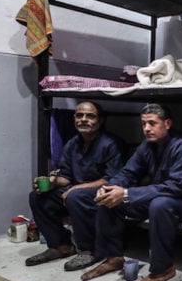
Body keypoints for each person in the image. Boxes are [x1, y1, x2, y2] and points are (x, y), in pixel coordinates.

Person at [80, 103, 182, 281]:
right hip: (163, 195)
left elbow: (175, 187)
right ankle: (113, 257)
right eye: (143, 124)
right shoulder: (147, 146)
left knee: (160, 205)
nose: (146, 128)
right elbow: (128, 173)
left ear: (167, 123)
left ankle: (163, 269)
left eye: (152, 123)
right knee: (109, 201)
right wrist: (110, 188)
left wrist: (126, 194)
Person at [26, 101, 125, 271]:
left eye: (90, 116)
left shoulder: (111, 143)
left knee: (75, 196)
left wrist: (76, 188)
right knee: (37, 196)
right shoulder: (72, 144)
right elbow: (65, 176)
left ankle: (91, 250)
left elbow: (111, 179)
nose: (83, 119)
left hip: (105, 191)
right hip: (76, 192)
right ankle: (61, 246)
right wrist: (52, 182)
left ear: (100, 120)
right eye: (79, 115)